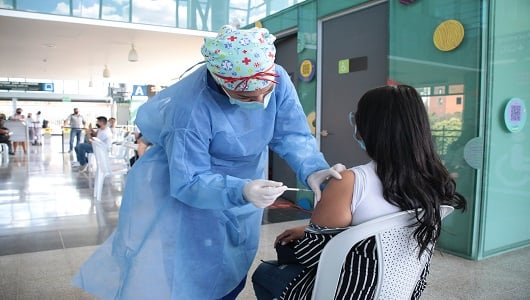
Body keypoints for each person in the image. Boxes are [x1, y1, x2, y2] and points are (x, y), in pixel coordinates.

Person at [72, 25, 344, 299]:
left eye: (266, 92)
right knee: (195, 274)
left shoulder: (276, 77)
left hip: (244, 187)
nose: (261, 103)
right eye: (248, 97)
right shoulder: (190, 110)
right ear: (222, 83)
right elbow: (189, 180)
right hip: (192, 195)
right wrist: (240, 190)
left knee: (233, 264)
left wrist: (313, 167)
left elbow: (290, 132)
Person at [252, 85, 467, 300]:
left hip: (349, 293)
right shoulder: (436, 182)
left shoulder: (350, 182)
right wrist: (308, 229)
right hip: (404, 291)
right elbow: (383, 234)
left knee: (264, 274)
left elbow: (313, 255)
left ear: (367, 129)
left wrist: (311, 235)